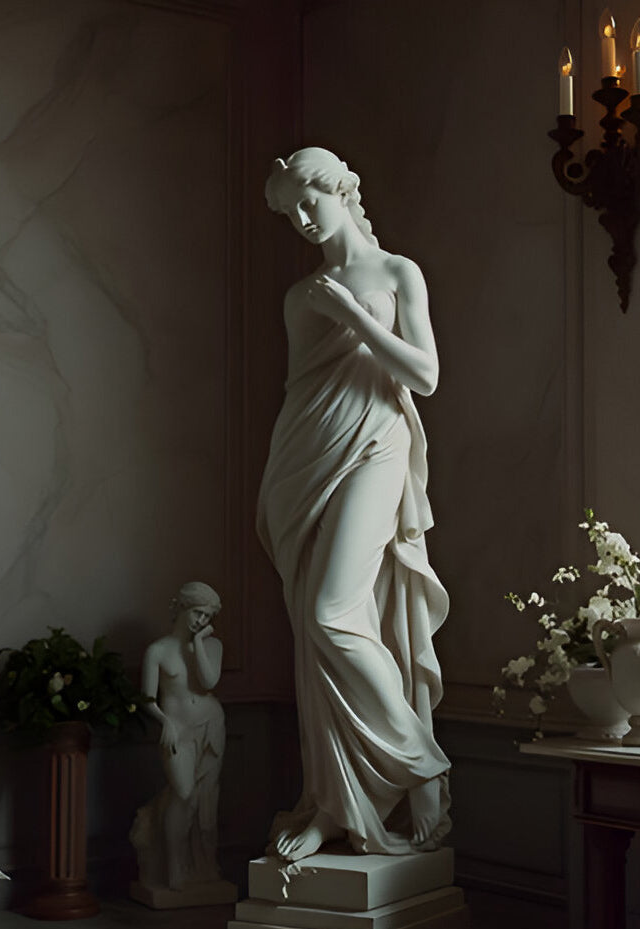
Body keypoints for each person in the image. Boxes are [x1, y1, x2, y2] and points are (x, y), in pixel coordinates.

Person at [258, 147, 451, 863]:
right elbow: (302, 386)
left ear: (341, 188)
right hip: (303, 453)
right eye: (290, 213)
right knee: (318, 634)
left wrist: (358, 318)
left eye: (311, 201)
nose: (304, 220)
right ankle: (334, 804)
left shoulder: (397, 273)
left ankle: (421, 765)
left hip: (377, 442)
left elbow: (425, 375)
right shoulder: (296, 296)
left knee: (331, 612)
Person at [130, 582, 226, 891]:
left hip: (211, 724)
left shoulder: (212, 646)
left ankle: (202, 866)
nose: (201, 621)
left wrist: (198, 642)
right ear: (182, 608)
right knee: (183, 793)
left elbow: (209, 681)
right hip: (178, 732)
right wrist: (164, 722)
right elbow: (147, 698)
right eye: (197, 613)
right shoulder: (157, 651)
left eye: (207, 616)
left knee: (206, 802)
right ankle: (173, 867)